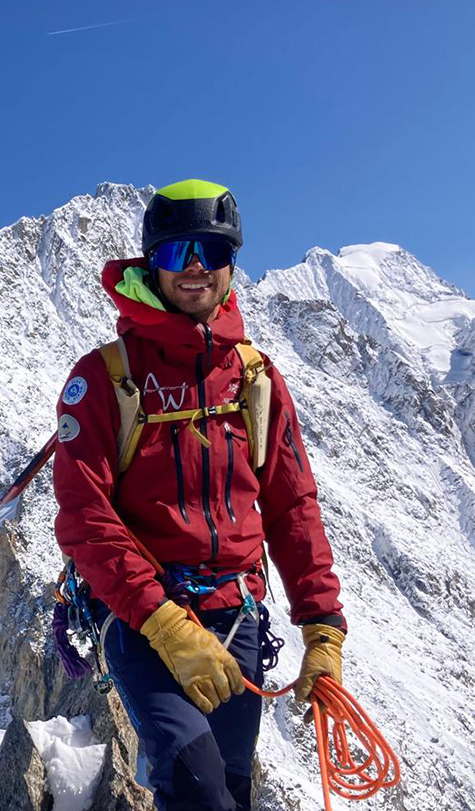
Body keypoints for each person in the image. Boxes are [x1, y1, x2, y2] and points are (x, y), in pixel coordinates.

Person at [51, 180, 346, 811]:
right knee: (196, 789)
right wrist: (164, 625)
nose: (194, 269)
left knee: (232, 787)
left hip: (237, 614)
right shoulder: (105, 379)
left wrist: (322, 628)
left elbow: (293, 505)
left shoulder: (255, 377)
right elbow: (84, 519)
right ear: (149, 262)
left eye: (210, 252)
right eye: (176, 252)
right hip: (145, 618)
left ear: (231, 265)